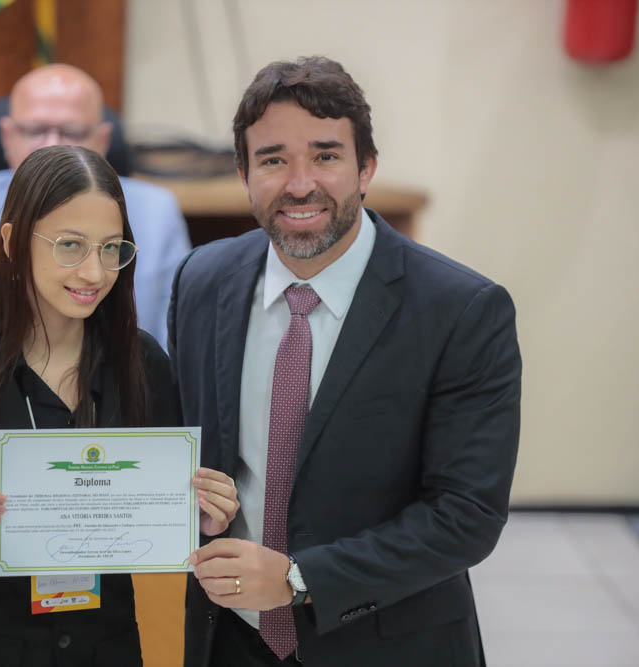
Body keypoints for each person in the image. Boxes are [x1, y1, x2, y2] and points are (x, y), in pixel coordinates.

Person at [169, 56, 522, 666]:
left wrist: (298, 580)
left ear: (366, 169)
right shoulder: (202, 280)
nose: (300, 184)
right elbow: (182, 446)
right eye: (273, 159)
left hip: (386, 644)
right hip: (226, 640)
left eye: (326, 156)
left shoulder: (461, 309)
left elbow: (466, 516)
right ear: (244, 174)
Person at [0, 146, 237, 666]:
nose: (94, 273)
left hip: (105, 651)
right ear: (13, 242)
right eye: (70, 246)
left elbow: (161, 508)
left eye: (111, 249)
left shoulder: (141, 363)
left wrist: (203, 519)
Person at [0, 63, 190, 394]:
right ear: (7, 137)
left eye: (71, 132)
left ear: (103, 139)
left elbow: (176, 356)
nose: (51, 146)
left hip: (111, 411)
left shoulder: (157, 214)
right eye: (35, 130)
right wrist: (15, 400)